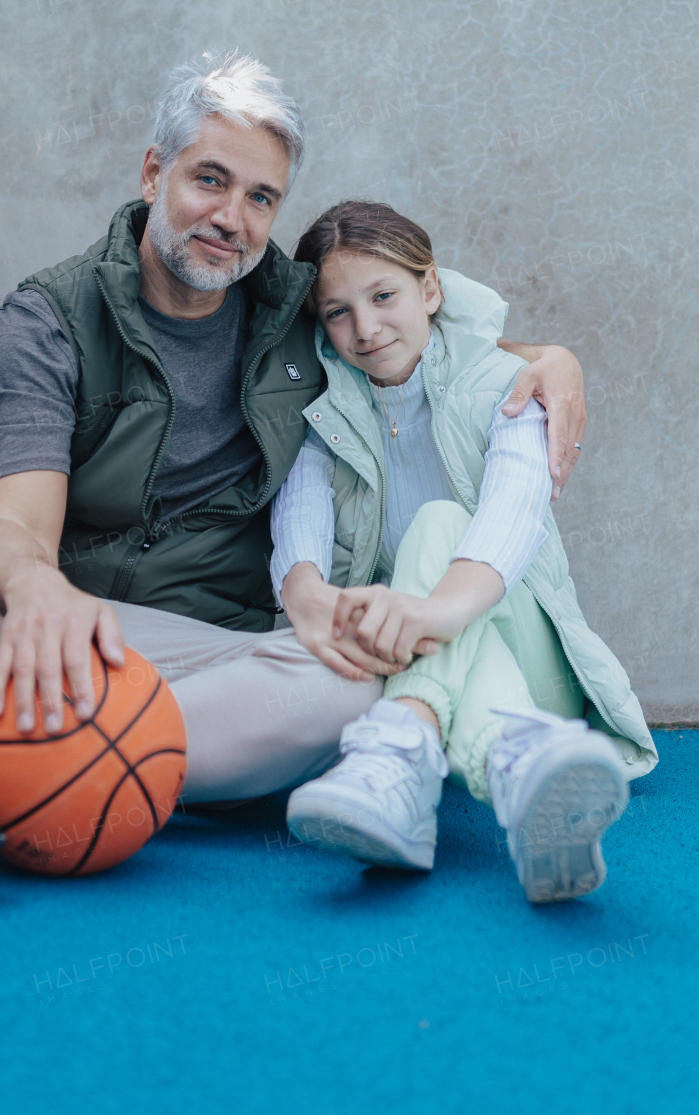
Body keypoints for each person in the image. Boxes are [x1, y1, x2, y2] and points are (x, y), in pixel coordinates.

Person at [0, 56, 590, 943]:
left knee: (354, 687)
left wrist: (551, 358)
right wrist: (40, 588)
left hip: (203, 660)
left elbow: (417, 331)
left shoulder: (296, 309)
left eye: (262, 198)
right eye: (209, 180)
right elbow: (10, 529)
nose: (232, 219)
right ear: (153, 172)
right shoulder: (50, 317)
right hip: (39, 629)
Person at [276, 200, 657, 901]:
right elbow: (301, 510)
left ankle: (400, 754)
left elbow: (514, 510)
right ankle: (523, 768)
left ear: (430, 289)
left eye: (384, 295)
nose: (365, 328)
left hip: (525, 658)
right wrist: (310, 596)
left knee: (440, 522)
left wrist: (437, 614)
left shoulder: (509, 387)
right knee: (413, 568)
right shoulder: (326, 409)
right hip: (416, 657)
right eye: (338, 311)